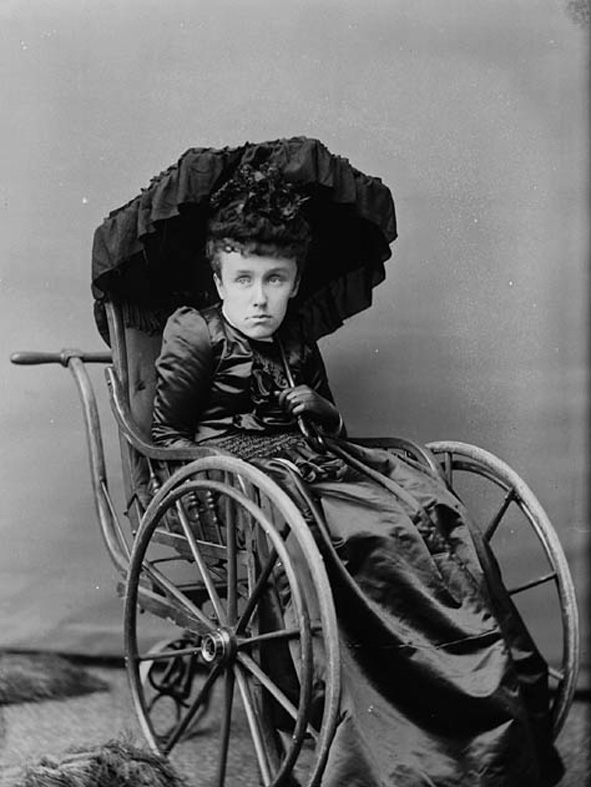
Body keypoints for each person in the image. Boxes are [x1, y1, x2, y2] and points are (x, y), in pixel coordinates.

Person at [151, 164, 563, 786]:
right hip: (237, 479)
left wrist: (322, 408)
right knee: (363, 536)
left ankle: (466, 682)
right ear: (219, 278)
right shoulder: (194, 331)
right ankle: (398, 706)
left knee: (424, 505)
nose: (259, 297)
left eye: (276, 280)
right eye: (243, 280)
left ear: (294, 282)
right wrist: (224, 475)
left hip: (309, 461)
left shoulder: (293, 337)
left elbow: (328, 429)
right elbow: (165, 438)